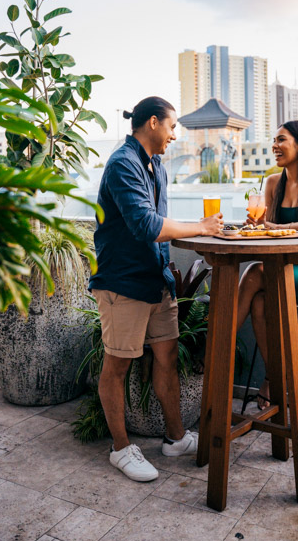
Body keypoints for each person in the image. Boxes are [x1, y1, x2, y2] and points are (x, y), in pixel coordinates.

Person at [89, 96, 223, 482]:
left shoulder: (156, 165)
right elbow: (147, 225)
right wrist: (201, 227)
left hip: (155, 280)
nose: (174, 135)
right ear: (152, 122)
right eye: (172, 126)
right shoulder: (122, 165)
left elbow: (160, 226)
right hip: (123, 283)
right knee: (117, 366)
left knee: (166, 355)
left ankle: (176, 438)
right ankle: (120, 448)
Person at [236, 120, 298, 409]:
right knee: (258, 303)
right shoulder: (272, 183)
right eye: (274, 140)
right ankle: (273, 378)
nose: (274, 146)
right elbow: (264, 229)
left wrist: (275, 226)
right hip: (279, 269)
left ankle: (216, 349)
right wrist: (255, 226)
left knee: (255, 272)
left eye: (281, 140)